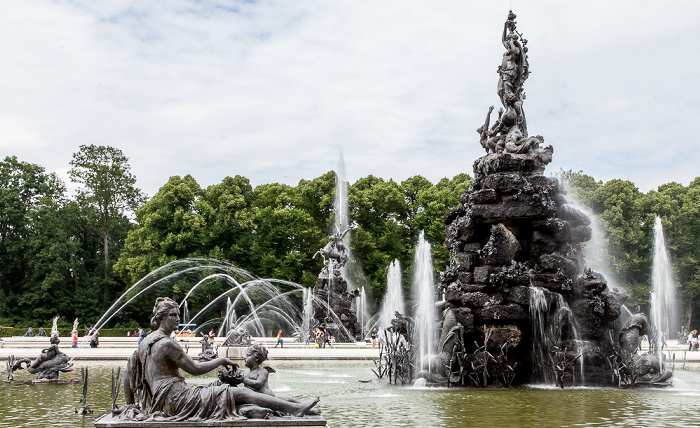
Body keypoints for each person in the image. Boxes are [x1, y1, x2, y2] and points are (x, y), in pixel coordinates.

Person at [120, 298, 318, 420]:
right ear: (162, 318)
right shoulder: (166, 343)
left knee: (222, 390)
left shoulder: (146, 342)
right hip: (178, 400)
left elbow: (128, 377)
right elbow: (196, 369)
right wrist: (222, 361)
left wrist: (130, 406)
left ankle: (256, 411)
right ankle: (296, 409)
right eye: (172, 315)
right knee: (237, 393)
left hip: (162, 402)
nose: (177, 319)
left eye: (177, 314)